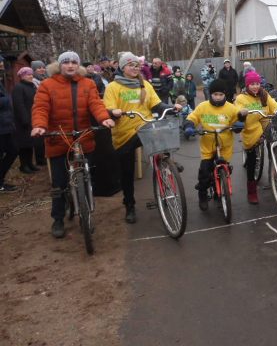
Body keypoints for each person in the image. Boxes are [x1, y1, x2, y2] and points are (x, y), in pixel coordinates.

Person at [31, 51, 115, 237]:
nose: (70, 65)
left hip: (83, 138)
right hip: (58, 139)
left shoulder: (88, 83)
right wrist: (39, 126)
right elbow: (40, 107)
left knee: (86, 178)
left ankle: (86, 213)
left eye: (74, 62)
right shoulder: (47, 85)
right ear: (60, 65)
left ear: (79, 65)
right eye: (66, 62)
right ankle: (58, 219)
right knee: (59, 184)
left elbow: (96, 104)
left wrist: (104, 119)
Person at [104, 52, 180, 224]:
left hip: (145, 126)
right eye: (130, 65)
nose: (134, 68)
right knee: (127, 172)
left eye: (136, 65)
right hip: (124, 133)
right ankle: (129, 205)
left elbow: (157, 105)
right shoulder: (113, 87)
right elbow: (107, 109)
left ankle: (165, 162)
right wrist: (112, 112)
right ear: (122, 67)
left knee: (160, 133)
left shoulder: (144, 84)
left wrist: (171, 107)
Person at [183, 79, 247, 211]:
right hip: (208, 145)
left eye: (221, 95)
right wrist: (189, 126)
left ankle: (220, 195)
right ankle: (202, 194)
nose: (218, 97)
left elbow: (237, 120)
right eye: (215, 94)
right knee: (204, 173)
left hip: (225, 146)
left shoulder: (230, 107)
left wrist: (239, 124)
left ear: (224, 95)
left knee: (224, 170)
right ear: (211, 94)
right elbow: (193, 117)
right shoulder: (203, 107)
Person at [235, 71, 277, 204]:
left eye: (257, 83)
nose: (255, 86)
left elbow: (275, 106)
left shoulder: (264, 94)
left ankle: (275, 174)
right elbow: (237, 110)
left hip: (266, 123)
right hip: (251, 127)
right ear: (247, 85)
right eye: (252, 84)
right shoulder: (241, 98)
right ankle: (251, 191)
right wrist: (242, 112)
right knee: (251, 160)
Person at [12, 67, 39, 174]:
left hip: (32, 118)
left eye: (31, 74)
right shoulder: (19, 87)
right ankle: (24, 165)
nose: (31, 76)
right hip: (23, 121)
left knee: (30, 143)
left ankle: (30, 163)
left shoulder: (31, 86)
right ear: (22, 76)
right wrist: (25, 119)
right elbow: (19, 104)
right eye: (28, 74)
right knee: (23, 144)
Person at [0, 55, 18, 193]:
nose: (2, 65)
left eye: (2, 62)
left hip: (6, 125)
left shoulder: (2, 82)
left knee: (12, 151)